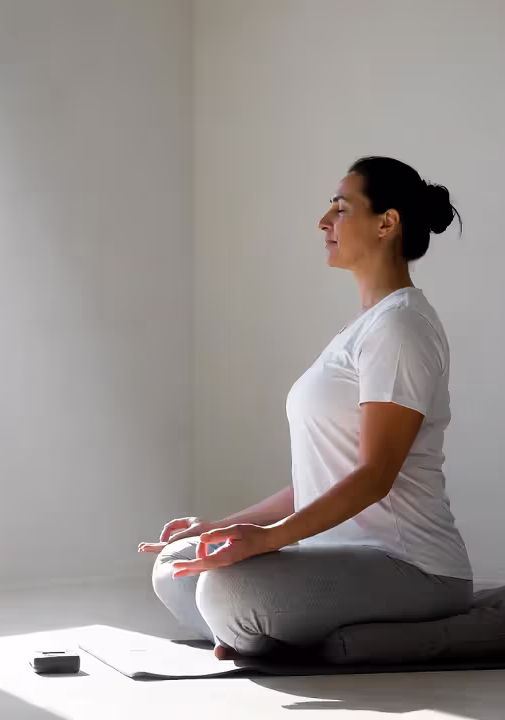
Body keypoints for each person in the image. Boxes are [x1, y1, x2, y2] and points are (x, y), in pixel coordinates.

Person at [138, 156, 472, 659]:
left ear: (387, 222)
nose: (323, 222)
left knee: (224, 589)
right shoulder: (365, 329)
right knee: (178, 562)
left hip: (412, 567)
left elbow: (374, 476)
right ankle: (256, 630)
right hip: (339, 561)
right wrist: (222, 526)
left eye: (340, 208)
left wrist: (268, 540)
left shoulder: (401, 328)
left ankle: (251, 629)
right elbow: (318, 480)